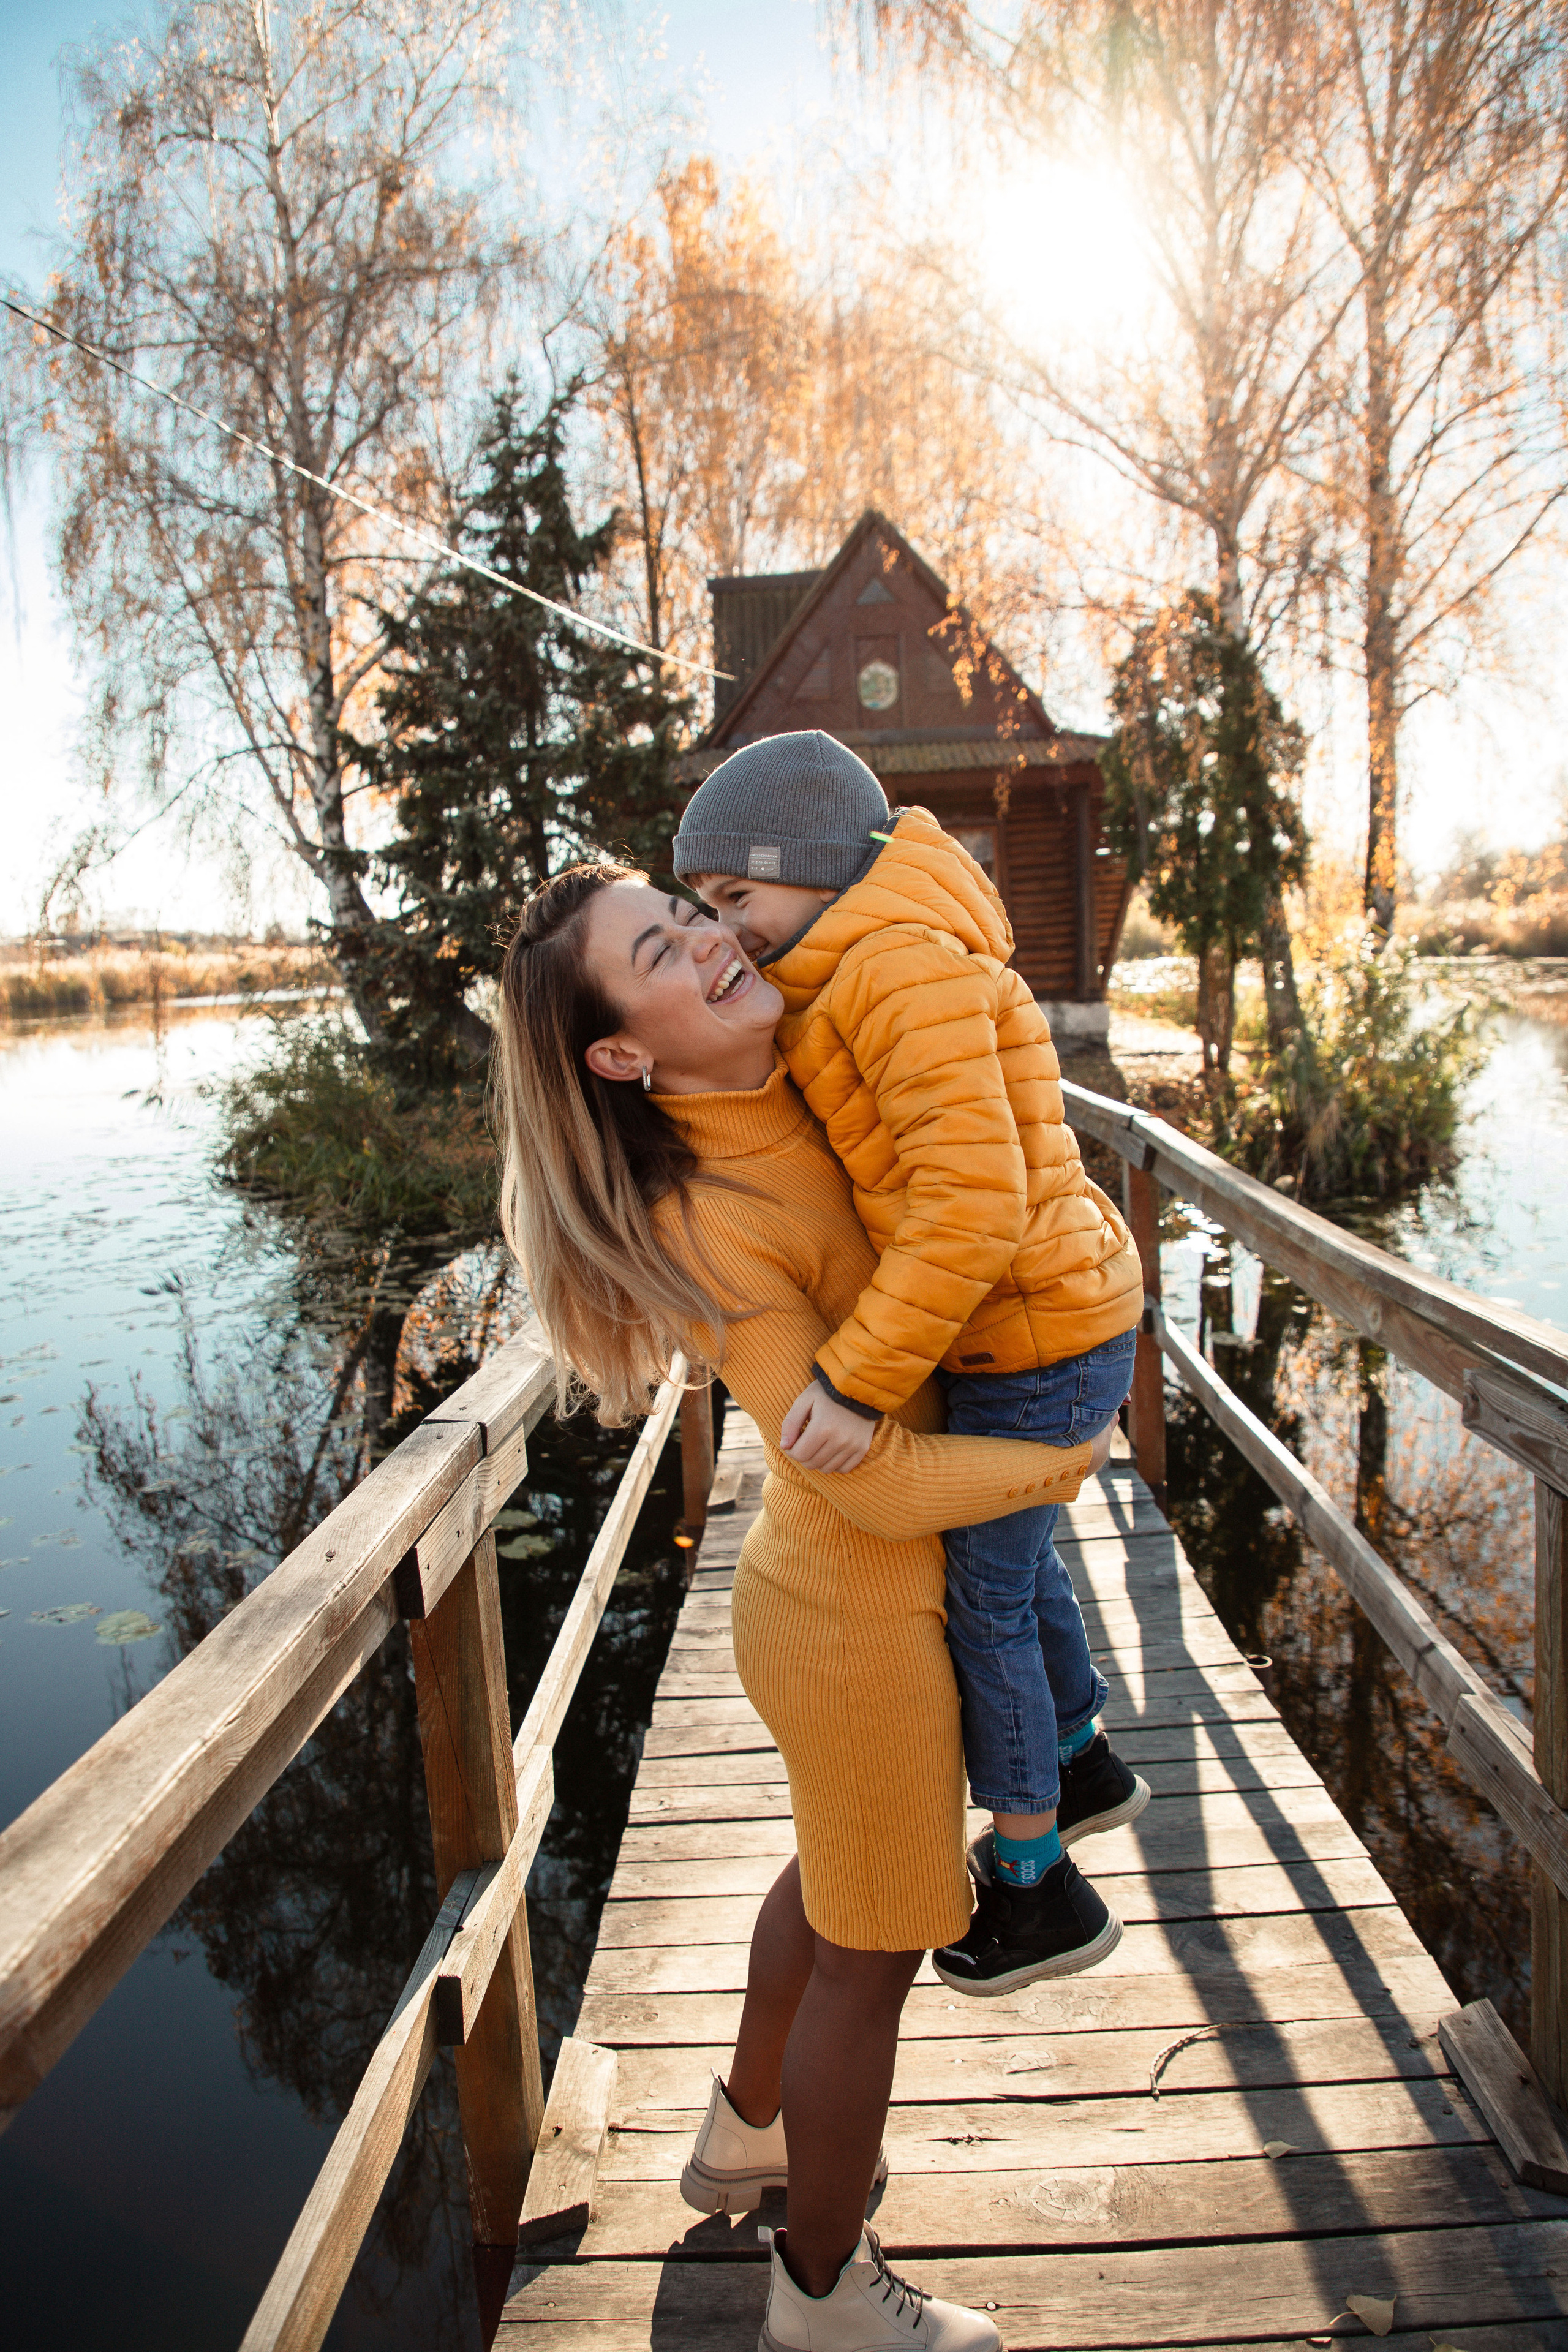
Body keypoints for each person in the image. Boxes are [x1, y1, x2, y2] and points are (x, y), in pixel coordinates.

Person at [493, 860, 1117, 2352]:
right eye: (662, 945)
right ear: (620, 1056)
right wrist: (1065, 1453)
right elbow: (874, 1483)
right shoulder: (704, 1216)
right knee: (878, 1950)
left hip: (848, 1610)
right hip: (859, 1622)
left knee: (834, 1893)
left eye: (692, 911)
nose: (710, 940)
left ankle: (743, 2135)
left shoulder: (804, 1066)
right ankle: (826, 2293)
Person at [673, 731, 1149, 1998]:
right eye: (703, 908)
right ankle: (1081, 1752)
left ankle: (1037, 1883)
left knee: (981, 1600)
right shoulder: (860, 966)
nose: (726, 931)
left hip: (1028, 1323)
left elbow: (966, 1210)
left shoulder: (886, 971)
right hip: (1035, 1314)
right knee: (1018, 1564)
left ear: (816, 869)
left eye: (736, 897)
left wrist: (856, 1384)